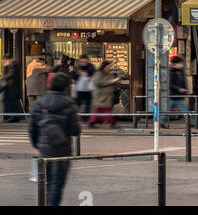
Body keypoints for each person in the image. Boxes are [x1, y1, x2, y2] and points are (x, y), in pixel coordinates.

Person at [28, 72, 80, 207]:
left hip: (45, 149)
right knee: (57, 184)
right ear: (65, 88)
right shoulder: (70, 104)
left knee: (47, 183)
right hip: (63, 149)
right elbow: (75, 130)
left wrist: (37, 144)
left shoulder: (40, 103)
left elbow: (32, 128)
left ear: (49, 85)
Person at [90, 61, 125, 128]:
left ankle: (93, 122)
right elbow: (97, 82)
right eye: (108, 66)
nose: (110, 68)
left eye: (110, 66)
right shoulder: (98, 74)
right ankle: (112, 123)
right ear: (104, 66)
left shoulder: (110, 74)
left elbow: (112, 83)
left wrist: (115, 82)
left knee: (102, 110)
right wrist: (110, 82)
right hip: (100, 96)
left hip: (107, 96)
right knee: (103, 110)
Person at [168, 52, 189, 117]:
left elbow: (183, 82)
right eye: (180, 63)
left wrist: (185, 90)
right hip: (174, 95)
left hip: (178, 95)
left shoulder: (180, 71)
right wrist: (179, 89)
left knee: (168, 110)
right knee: (185, 109)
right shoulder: (172, 72)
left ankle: (162, 121)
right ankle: (192, 122)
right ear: (175, 64)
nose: (181, 64)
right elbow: (170, 84)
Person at [74, 56, 95, 120]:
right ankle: (76, 117)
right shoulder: (78, 67)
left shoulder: (91, 67)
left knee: (88, 105)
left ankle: (86, 118)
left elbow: (93, 75)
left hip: (88, 89)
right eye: (82, 62)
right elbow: (74, 77)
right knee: (78, 104)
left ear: (88, 61)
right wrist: (77, 74)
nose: (83, 63)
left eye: (85, 62)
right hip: (79, 89)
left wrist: (85, 74)